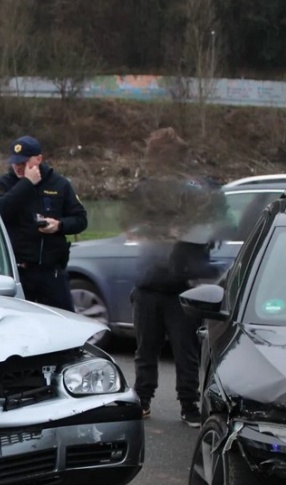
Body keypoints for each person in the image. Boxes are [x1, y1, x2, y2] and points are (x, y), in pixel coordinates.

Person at [122, 128, 225, 426]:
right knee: (146, 349)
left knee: (186, 351)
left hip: (183, 287)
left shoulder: (197, 185)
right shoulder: (146, 188)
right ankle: (142, 399)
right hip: (148, 284)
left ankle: (188, 404)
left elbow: (214, 216)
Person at [0, 135, 87, 310]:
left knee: (63, 323)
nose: (18, 166)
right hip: (16, 274)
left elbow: (80, 219)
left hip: (51, 273)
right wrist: (27, 183)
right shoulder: (1, 184)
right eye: (15, 162)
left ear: (39, 159)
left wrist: (59, 225)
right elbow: (0, 212)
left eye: (24, 162)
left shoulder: (59, 184)